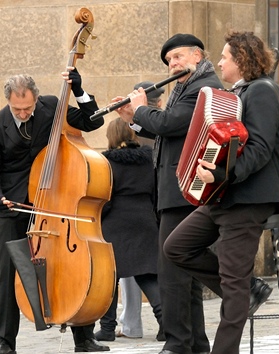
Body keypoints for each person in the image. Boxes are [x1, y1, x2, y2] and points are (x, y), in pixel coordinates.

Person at [163, 31, 279, 354]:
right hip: (227, 195)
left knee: (233, 291)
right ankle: (247, 290)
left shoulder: (263, 91)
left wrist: (223, 174)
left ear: (242, 60)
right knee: (176, 247)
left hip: (249, 199)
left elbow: (259, 149)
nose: (219, 62)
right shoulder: (241, 92)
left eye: (225, 57)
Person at [0, 71, 110, 354]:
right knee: (8, 274)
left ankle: (83, 338)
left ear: (36, 98)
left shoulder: (51, 106)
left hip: (54, 201)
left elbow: (93, 120)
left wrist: (79, 89)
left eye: (28, 107)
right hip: (14, 207)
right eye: (17, 109)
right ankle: (6, 342)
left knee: (71, 267)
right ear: (8, 102)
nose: (24, 113)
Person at [114, 33, 222, 354]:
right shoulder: (187, 87)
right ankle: (195, 344)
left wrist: (141, 108)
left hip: (183, 189)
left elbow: (170, 122)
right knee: (181, 271)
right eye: (169, 61)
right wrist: (134, 120)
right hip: (175, 190)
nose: (172, 64)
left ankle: (177, 344)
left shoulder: (205, 87)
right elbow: (169, 131)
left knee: (172, 273)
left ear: (197, 56)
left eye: (177, 57)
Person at [93, 117, 163, 342]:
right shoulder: (148, 158)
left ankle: (107, 328)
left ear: (111, 137)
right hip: (144, 220)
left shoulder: (105, 162)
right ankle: (167, 325)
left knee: (109, 277)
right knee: (149, 276)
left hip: (116, 224)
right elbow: (156, 193)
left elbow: (106, 199)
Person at [114, 81, 165, 340]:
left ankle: (113, 326)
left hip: (120, 222)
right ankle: (162, 322)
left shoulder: (147, 126)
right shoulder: (151, 128)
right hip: (148, 213)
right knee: (147, 272)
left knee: (115, 275)